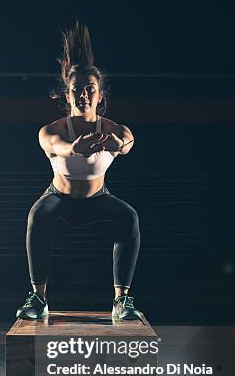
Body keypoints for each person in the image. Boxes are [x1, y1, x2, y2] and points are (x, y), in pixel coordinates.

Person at [16, 21, 141, 320]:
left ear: (100, 96)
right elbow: (54, 144)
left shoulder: (110, 128)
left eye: (90, 90)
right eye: (77, 91)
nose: (83, 95)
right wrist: (75, 149)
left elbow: (129, 139)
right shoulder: (54, 129)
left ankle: (121, 300)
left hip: (98, 200)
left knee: (129, 217)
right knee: (37, 214)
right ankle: (38, 297)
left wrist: (119, 143)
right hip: (59, 199)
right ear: (67, 96)